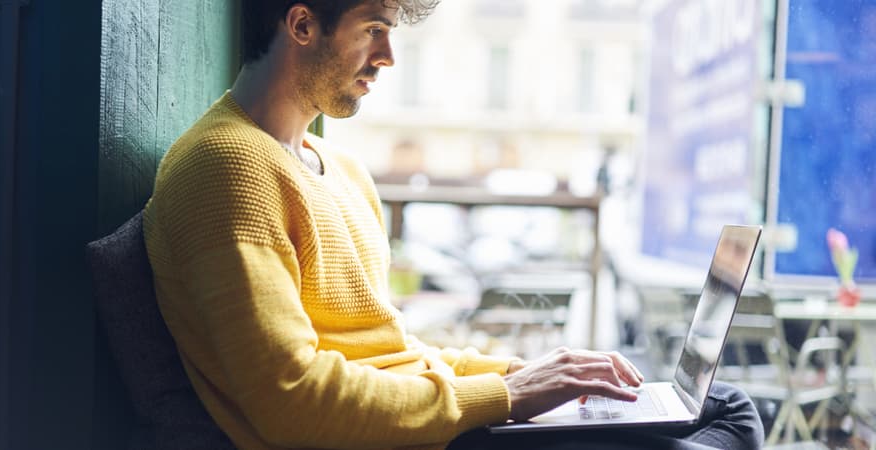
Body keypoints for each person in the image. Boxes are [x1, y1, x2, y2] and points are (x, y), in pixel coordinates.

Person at [142, 1, 765, 449]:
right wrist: (511, 398)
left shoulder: (341, 169)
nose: (387, 56)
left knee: (724, 405)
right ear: (302, 24)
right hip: (409, 440)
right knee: (708, 431)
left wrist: (524, 374)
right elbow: (292, 401)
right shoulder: (226, 167)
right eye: (374, 29)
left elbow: (393, 354)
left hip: (431, 417)